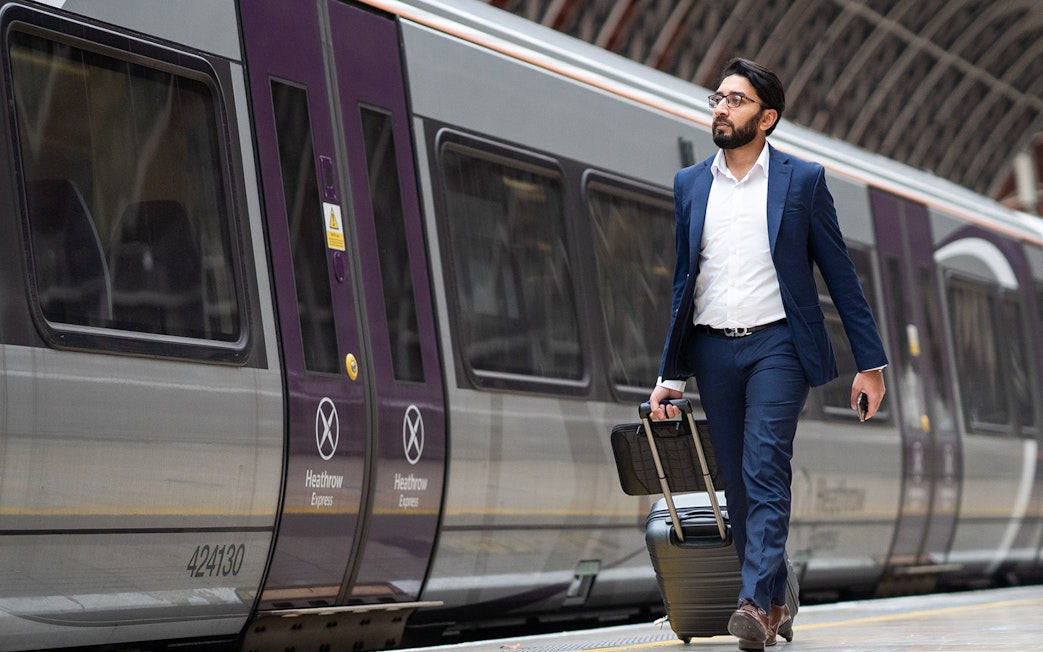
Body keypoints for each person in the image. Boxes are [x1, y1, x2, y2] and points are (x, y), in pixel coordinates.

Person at [648, 58, 887, 651]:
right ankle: (779, 594)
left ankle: (754, 604)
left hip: (778, 344)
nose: (722, 108)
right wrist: (669, 377)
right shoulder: (689, 185)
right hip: (712, 348)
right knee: (737, 484)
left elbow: (841, 275)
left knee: (764, 466)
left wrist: (871, 364)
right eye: (718, 98)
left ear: (767, 117)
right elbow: (684, 285)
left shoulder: (802, 181)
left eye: (736, 100)